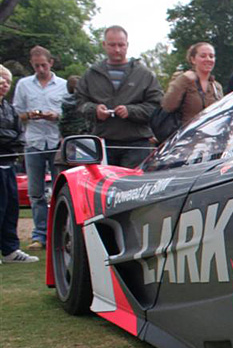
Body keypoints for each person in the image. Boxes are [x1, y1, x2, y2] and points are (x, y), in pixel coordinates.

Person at [76, 25, 163, 168]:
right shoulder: (91, 75)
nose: (117, 49)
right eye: (112, 45)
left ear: (127, 45)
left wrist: (131, 111)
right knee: (103, 188)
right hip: (103, 142)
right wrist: (94, 110)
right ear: (104, 45)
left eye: (121, 45)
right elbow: (79, 103)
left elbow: (156, 107)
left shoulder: (144, 74)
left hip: (137, 143)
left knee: (132, 188)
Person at [13, 45, 66, 250]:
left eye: (43, 65)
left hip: (56, 141)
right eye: (36, 66)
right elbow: (17, 113)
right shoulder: (24, 85)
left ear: (50, 63)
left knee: (58, 189)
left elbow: (69, 113)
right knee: (35, 192)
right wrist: (30, 115)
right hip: (34, 141)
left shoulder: (62, 85)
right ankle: (39, 235)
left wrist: (55, 116)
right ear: (31, 65)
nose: (41, 69)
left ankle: (58, 233)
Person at [0, 66, 37, 264]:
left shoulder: (9, 108)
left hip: (8, 163)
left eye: (7, 81)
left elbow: (19, 133)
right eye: (1, 79)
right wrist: (11, 138)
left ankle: (10, 250)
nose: (4, 84)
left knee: (10, 208)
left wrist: (12, 140)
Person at [162, 42, 224, 128]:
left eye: (211, 56)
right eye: (203, 56)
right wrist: (183, 79)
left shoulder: (217, 87)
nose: (208, 59)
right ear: (193, 60)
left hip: (211, 137)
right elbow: (167, 106)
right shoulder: (183, 80)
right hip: (186, 137)